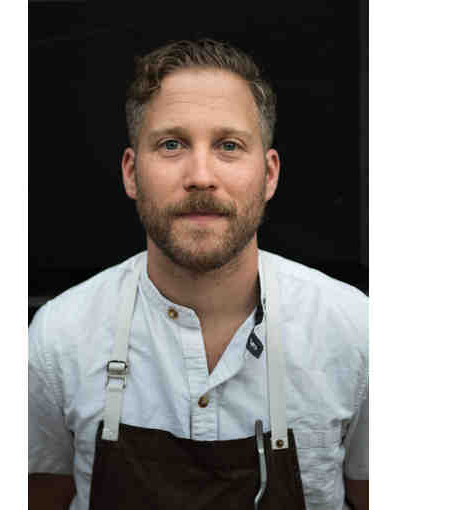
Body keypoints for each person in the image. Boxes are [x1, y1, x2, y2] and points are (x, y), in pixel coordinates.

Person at [29, 38, 368, 510]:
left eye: (229, 146)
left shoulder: (354, 330)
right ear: (131, 172)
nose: (201, 176)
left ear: (269, 174)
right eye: (172, 144)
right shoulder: (59, 337)